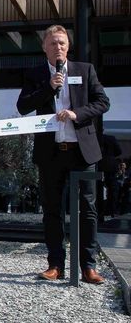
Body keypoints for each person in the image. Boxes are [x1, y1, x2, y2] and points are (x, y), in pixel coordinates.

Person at [16, 24, 110, 284]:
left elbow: (103, 102)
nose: (58, 47)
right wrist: (48, 87)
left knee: (88, 209)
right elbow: (23, 106)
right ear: (44, 47)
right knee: (52, 210)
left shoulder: (84, 70)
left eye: (62, 43)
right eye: (53, 43)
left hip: (82, 152)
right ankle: (55, 265)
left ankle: (88, 266)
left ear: (68, 46)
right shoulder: (35, 74)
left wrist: (76, 114)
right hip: (51, 153)